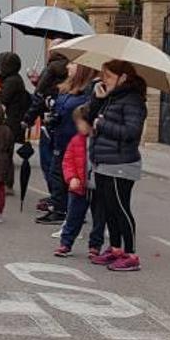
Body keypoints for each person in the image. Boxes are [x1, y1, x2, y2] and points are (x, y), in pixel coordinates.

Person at [88, 60, 147, 272]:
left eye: (109, 77)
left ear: (123, 78)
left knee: (121, 208)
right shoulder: (111, 98)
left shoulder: (132, 101)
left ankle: (131, 254)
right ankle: (115, 249)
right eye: (103, 76)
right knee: (109, 209)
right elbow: (88, 117)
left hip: (121, 163)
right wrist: (97, 98)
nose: (105, 81)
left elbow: (131, 133)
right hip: (104, 161)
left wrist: (102, 124)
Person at [36, 63, 97, 226]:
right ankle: (60, 207)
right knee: (56, 172)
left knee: (64, 175)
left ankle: (63, 210)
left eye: (73, 65)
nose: (68, 67)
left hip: (72, 139)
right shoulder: (67, 88)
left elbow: (81, 114)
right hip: (59, 136)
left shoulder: (86, 93)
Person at [23, 43, 69, 212]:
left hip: (49, 122)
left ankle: (57, 200)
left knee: (49, 162)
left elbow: (39, 96)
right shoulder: (71, 68)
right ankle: (60, 198)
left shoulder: (51, 68)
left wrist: (28, 119)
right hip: (63, 120)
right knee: (61, 163)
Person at [55, 105, 106, 257]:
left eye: (80, 123)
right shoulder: (76, 141)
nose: (78, 127)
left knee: (99, 218)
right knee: (73, 216)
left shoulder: (101, 141)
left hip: (98, 186)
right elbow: (68, 161)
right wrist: (71, 178)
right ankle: (66, 243)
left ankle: (95, 245)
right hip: (79, 186)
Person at [0, 52, 30, 195]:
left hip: (11, 122)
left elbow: (3, 99)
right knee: (6, 154)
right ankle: (5, 184)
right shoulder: (15, 79)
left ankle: (7, 185)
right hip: (13, 121)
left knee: (6, 154)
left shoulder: (11, 81)